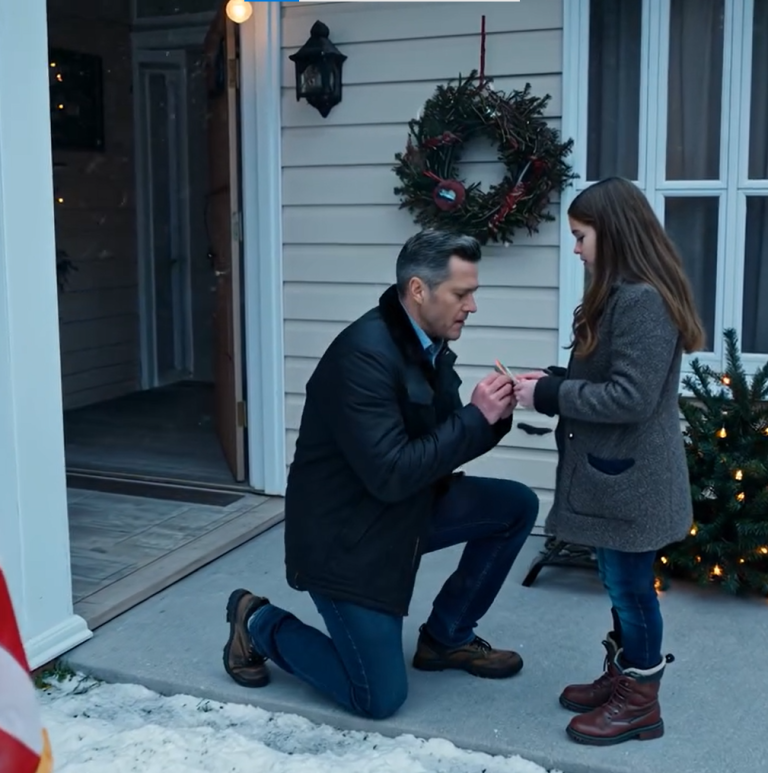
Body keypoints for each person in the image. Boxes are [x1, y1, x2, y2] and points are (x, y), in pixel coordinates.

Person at [222, 229, 539, 719]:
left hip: (404, 508)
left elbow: (438, 450)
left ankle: (446, 639)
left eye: (472, 292)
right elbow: (391, 472)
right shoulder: (362, 357)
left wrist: (492, 415)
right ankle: (256, 620)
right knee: (378, 697)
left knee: (516, 505)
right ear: (418, 290)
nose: (472, 305)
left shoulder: (427, 344)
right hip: (348, 539)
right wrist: (473, 418)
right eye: (462, 293)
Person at [513, 177, 704, 746]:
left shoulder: (643, 300)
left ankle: (640, 704)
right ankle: (624, 679)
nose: (575, 249)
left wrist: (548, 398)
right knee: (618, 582)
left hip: (633, 483)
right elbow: (604, 378)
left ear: (612, 233)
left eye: (580, 236)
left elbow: (630, 397)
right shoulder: (620, 293)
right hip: (615, 479)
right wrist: (550, 382)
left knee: (630, 589)